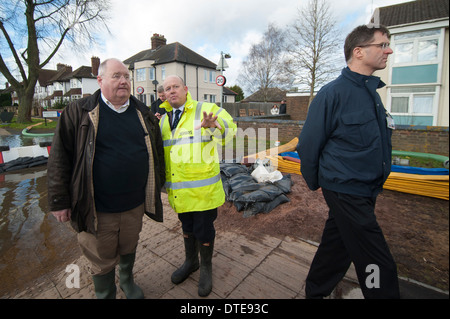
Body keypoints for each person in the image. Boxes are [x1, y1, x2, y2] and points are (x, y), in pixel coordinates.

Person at [47, 58, 165, 299]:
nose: (123, 81)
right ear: (100, 81)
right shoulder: (78, 112)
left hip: (134, 204)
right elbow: (59, 158)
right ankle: (105, 293)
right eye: (116, 76)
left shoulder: (143, 113)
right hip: (95, 207)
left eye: (126, 77)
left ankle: (127, 282)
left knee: (129, 246)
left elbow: (157, 152)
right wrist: (59, 201)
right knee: (100, 257)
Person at [297, 25, 400, 299]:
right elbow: (308, 144)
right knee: (375, 260)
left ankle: (315, 291)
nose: (389, 50)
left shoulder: (373, 95)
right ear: (359, 51)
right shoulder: (332, 94)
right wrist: (318, 182)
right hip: (345, 189)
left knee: (338, 245)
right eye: (382, 45)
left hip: (366, 189)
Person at [159, 75, 236, 297]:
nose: (171, 91)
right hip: (180, 193)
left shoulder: (206, 108)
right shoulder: (164, 121)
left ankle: (206, 268)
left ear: (185, 88)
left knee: (204, 230)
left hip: (203, 192)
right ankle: (190, 262)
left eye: (175, 87)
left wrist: (215, 126)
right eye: (167, 88)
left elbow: (230, 133)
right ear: (163, 94)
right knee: (187, 228)